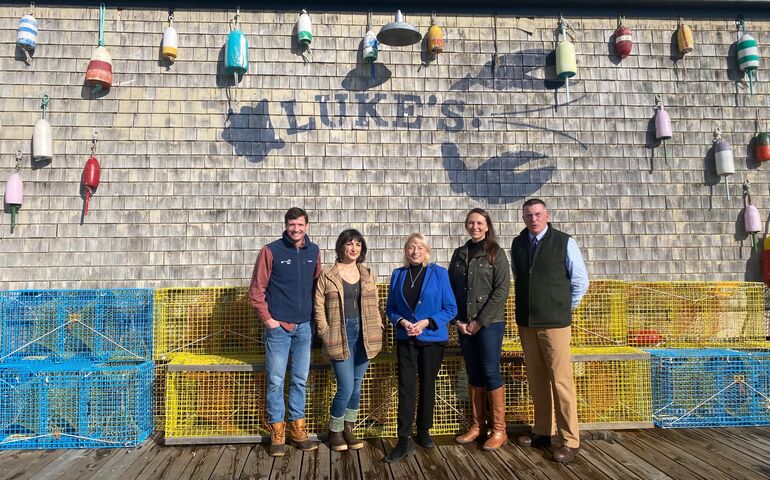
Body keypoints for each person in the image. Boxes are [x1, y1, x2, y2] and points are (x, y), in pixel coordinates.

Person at [510, 198, 589, 464]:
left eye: (538, 214)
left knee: (561, 381)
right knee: (537, 380)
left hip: (555, 323)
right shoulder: (518, 244)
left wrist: (562, 307)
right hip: (527, 323)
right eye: (528, 215)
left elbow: (580, 281)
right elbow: (520, 279)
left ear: (547, 215)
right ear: (523, 218)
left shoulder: (564, 241)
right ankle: (543, 431)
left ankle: (570, 439)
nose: (533, 219)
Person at [249, 207, 321, 457]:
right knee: (276, 380)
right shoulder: (271, 251)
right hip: (278, 328)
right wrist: (269, 320)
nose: (296, 229)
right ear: (286, 225)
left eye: (300, 225)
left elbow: (317, 288)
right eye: (292, 225)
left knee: (300, 380)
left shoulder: (314, 251)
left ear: (307, 226)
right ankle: (277, 431)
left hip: (304, 328)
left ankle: (297, 428)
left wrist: (315, 320)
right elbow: (257, 290)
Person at [383, 233, 457, 463]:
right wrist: (402, 322)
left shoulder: (440, 274)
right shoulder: (398, 275)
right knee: (406, 387)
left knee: (427, 385)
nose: (415, 251)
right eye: (411, 247)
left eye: (419, 247)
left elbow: (451, 308)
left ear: (427, 251)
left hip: (432, 338)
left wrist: (426, 322)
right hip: (406, 338)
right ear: (406, 251)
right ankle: (403, 439)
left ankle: (424, 430)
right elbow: (391, 308)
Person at [314, 229, 383, 452]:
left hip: (365, 333)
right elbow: (318, 307)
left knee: (357, 385)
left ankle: (348, 429)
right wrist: (324, 330)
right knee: (345, 385)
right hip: (339, 333)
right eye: (349, 244)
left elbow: (375, 300)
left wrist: (379, 322)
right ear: (341, 247)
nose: (354, 248)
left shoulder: (367, 273)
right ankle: (334, 430)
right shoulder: (328, 275)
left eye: (358, 245)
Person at [448, 208, 511, 450]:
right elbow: (451, 290)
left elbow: (501, 290)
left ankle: (499, 430)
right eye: (471, 222)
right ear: (467, 225)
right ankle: (477, 426)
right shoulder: (460, 254)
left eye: (480, 223)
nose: (475, 226)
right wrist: (458, 321)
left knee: (490, 371)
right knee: (473, 372)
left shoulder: (495, 253)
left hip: (489, 324)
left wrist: (479, 321)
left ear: (487, 226)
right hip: (464, 325)